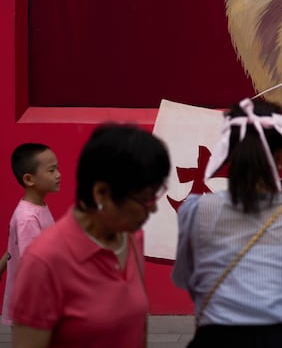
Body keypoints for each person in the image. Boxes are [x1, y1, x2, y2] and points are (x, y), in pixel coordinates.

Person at [173, 98, 282, 348]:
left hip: (214, 341)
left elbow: (186, 278)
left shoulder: (196, 212)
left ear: (228, 152)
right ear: (280, 156)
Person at [10, 124, 170, 348]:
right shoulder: (44, 262)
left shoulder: (132, 239)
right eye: (144, 198)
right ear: (101, 193)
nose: (152, 209)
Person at [2, 143, 61, 326]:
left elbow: (13, 248)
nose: (58, 174)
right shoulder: (27, 218)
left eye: (57, 168)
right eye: (51, 170)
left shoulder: (38, 207)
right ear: (29, 179)